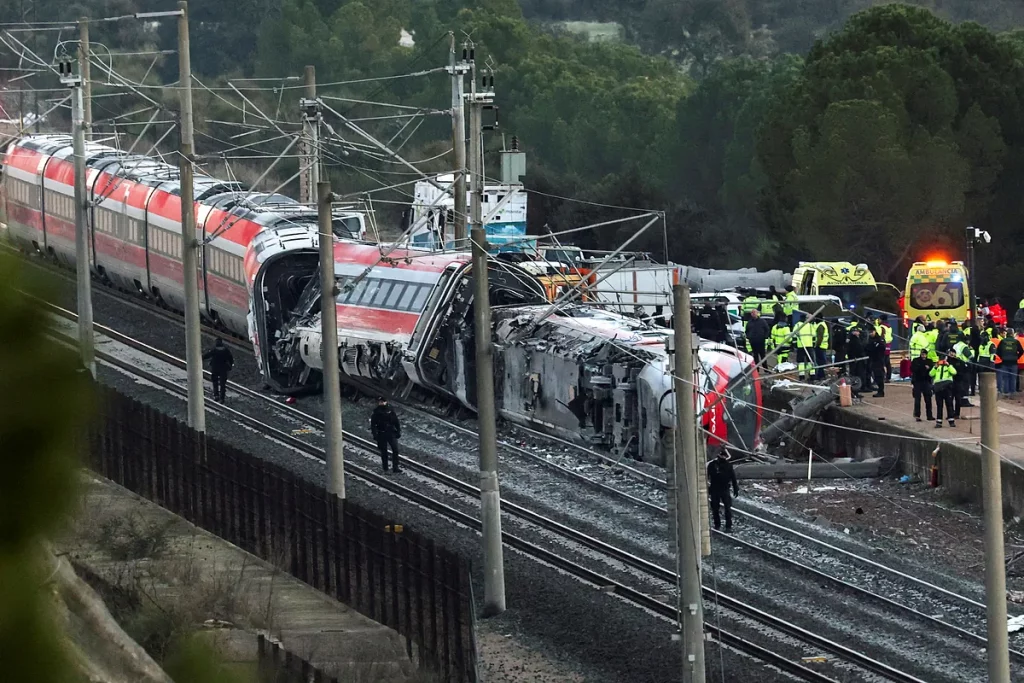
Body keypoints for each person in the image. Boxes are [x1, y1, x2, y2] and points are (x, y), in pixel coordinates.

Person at [707, 449, 739, 532]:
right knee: (715, 508)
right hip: (716, 489)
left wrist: (736, 489)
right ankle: (718, 525)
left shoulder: (728, 465)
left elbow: (733, 477)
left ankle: (727, 526)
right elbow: (706, 477)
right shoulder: (712, 465)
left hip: (724, 489)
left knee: (727, 508)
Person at [370, 396, 402, 473]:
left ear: (386, 402)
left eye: (383, 401)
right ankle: (386, 469)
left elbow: (396, 421)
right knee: (384, 452)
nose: (381, 403)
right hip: (381, 433)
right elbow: (373, 424)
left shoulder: (390, 410)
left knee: (395, 450)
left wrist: (398, 431)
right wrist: (375, 435)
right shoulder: (376, 412)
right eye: (380, 401)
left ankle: (395, 467)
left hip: (391, 433)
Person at [202, 338, 234, 402]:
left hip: (215, 369)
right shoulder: (226, 350)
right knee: (222, 384)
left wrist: (201, 357)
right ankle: (222, 398)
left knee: (215, 383)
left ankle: (216, 395)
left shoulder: (214, 350)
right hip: (223, 369)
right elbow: (230, 359)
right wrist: (230, 365)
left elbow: (207, 356)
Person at [930, 354, 957, 428]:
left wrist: (948, 366)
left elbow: (954, 372)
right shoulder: (937, 367)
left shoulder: (948, 366)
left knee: (949, 404)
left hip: (947, 388)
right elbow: (931, 374)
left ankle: (951, 421)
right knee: (939, 405)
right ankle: (939, 422)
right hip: (938, 388)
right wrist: (935, 367)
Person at [996, 330, 1023, 397]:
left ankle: (1006, 393)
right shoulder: (1016, 342)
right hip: (1014, 362)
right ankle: (1012, 393)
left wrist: (1002, 357)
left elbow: (997, 351)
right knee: (1013, 378)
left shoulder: (1002, 341)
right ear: (1012, 334)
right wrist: (1017, 357)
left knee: (1006, 378)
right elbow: (1021, 351)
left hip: (1004, 362)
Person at [910, 349, 934, 423]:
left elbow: (932, 370)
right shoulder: (916, 360)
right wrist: (924, 367)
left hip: (926, 382)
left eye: (925, 354)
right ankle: (917, 415)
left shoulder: (929, 361)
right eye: (922, 354)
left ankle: (929, 415)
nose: (923, 355)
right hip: (917, 382)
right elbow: (913, 369)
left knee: (928, 399)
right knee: (917, 399)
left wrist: (926, 368)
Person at [865, 327, 887, 397]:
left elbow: (881, 348)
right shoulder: (870, 339)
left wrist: (874, 347)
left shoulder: (879, 339)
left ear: (875, 331)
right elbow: (868, 348)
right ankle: (880, 390)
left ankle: (881, 391)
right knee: (875, 376)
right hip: (873, 360)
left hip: (879, 360)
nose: (871, 333)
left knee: (879, 376)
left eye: (872, 332)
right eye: (870, 332)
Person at [846, 327, 865, 398]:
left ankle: (856, 392)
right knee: (855, 376)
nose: (859, 333)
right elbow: (855, 349)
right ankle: (855, 392)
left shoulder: (855, 339)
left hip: (857, 359)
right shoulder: (853, 339)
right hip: (855, 360)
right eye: (857, 331)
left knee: (857, 375)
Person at [878, 314, 893, 379]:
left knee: (881, 363)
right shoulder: (889, 327)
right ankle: (888, 377)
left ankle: (882, 376)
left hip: (883, 345)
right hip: (888, 345)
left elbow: (880, 335)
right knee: (887, 363)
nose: (878, 320)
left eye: (879, 319)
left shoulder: (881, 327)